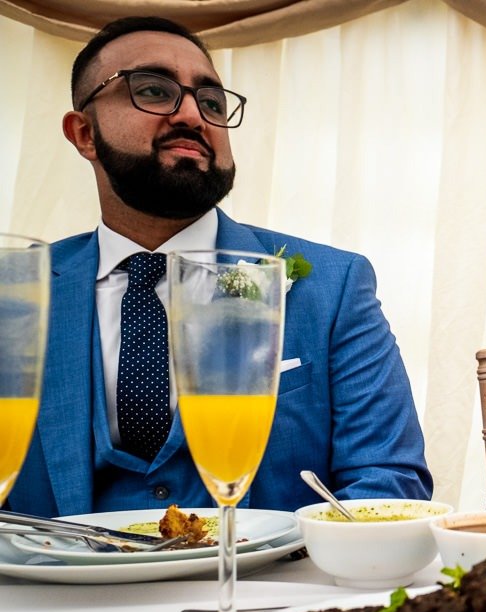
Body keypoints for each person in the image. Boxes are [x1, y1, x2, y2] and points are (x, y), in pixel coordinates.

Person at [8, 16, 431, 516]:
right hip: (56, 592)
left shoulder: (332, 285)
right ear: (84, 133)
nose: (192, 114)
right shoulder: (14, 293)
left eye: (211, 102)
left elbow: (388, 484)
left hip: (267, 590)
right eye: (152, 90)